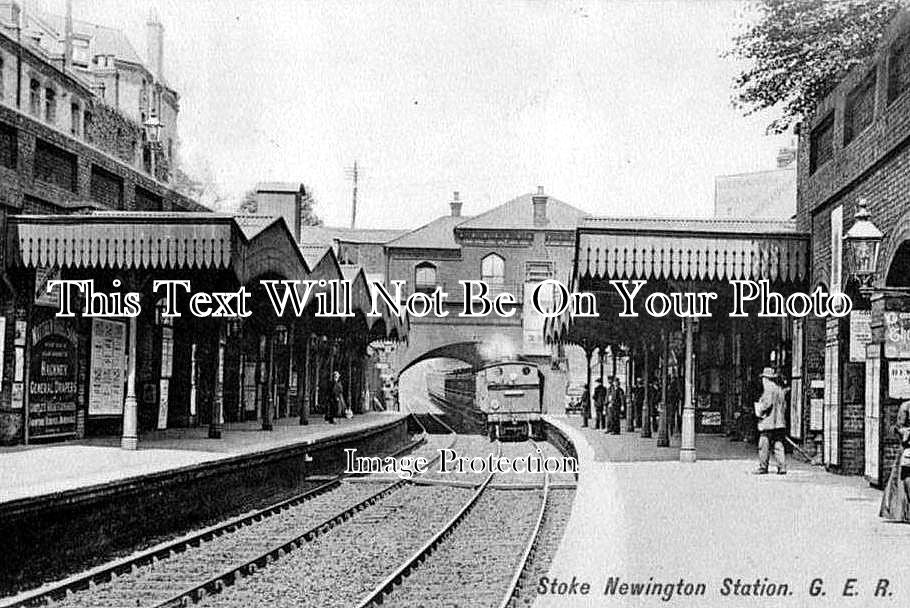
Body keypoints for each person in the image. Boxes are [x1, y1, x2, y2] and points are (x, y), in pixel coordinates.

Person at [880, 400, 910, 522]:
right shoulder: (906, 406)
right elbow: (898, 428)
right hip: (908, 447)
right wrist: (905, 432)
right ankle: (902, 512)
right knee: (904, 478)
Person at [754, 367, 787, 474]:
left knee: (763, 444)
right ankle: (782, 467)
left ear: (766, 379)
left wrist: (760, 410)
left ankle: (763, 467)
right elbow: (784, 406)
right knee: (778, 444)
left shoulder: (768, 389)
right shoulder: (779, 389)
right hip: (779, 422)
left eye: (763, 378)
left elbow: (767, 404)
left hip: (768, 421)